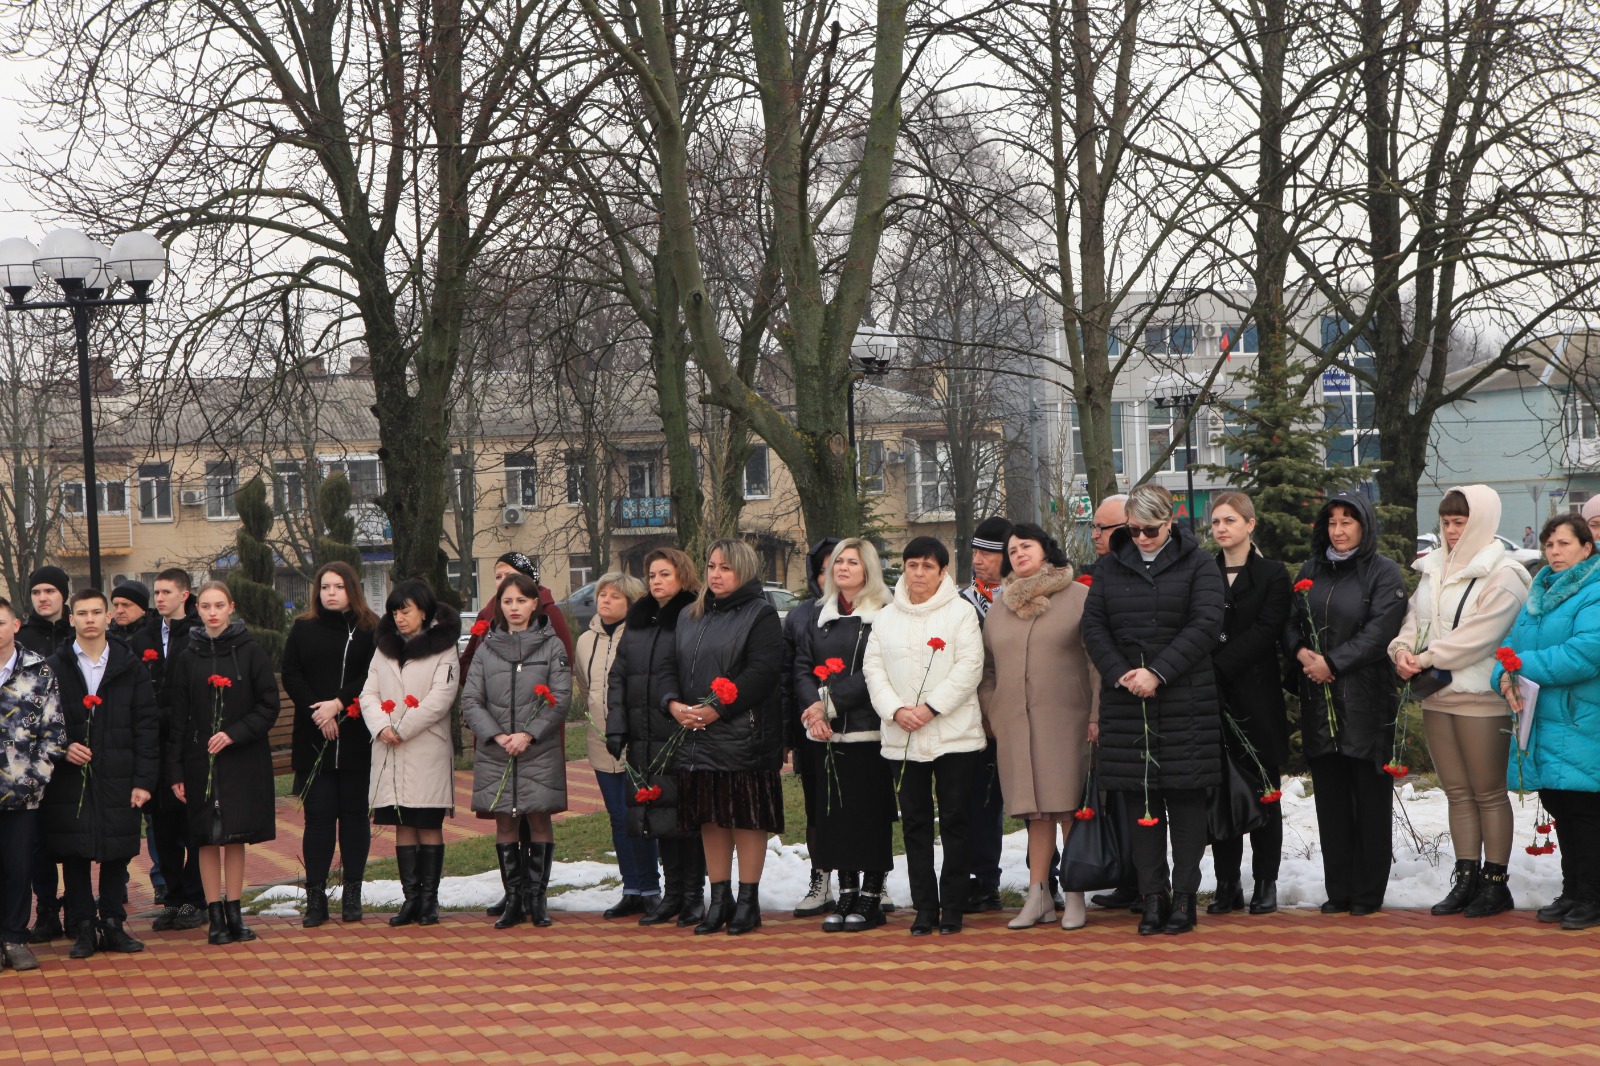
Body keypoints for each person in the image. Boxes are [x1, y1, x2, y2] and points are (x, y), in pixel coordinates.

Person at [1081, 483, 1225, 936]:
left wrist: (1158, 672)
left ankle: (1184, 897)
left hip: (1185, 701)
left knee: (1185, 803)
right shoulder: (1110, 566)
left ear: (1170, 523)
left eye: (1151, 530)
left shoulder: (1198, 563)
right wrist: (1122, 673)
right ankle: (1152, 896)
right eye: (1134, 530)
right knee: (1140, 803)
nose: (1142, 538)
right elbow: (1094, 626)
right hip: (1128, 702)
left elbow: (1206, 624)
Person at [1391, 487, 1530, 918]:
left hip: (1480, 698)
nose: (1451, 531)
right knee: (1456, 792)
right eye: (1446, 522)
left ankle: (1495, 882)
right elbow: (1415, 618)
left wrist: (1426, 657)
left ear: (1482, 521)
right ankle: (1466, 877)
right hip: (1437, 696)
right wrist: (1402, 649)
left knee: (1488, 792)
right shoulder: (1433, 567)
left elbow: (1481, 635)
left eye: (1460, 522)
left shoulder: (1504, 573)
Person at [1286, 491, 1407, 916]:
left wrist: (1332, 663)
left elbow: (1379, 633)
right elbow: (1290, 621)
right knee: (1331, 801)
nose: (1338, 531)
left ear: (1364, 525)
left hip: (1365, 700)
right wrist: (1302, 653)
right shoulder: (1311, 570)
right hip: (1319, 702)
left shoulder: (1383, 572)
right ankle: (1338, 889)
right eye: (1332, 522)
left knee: (1369, 800)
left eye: (1347, 522)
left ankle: (1368, 892)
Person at [660, 538, 785, 936]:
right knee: (710, 819)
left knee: (745, 818)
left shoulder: (761, 614)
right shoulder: (689, 615)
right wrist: (672, 704)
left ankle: (748, 901)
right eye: (712, 566)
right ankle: (720, 898)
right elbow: (668, 666)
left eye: (725, 568)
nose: (715, 574)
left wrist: (718, 708)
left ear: (743, 571)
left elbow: (763, 672)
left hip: (742, 735)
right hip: (695, 734)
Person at [864, 536, 986, 936]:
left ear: (943, 571)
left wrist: (931, 707)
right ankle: (924, 907)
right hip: (903, 736)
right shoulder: (886, 617)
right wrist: (896, 710)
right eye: (912, 565)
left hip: (955, 735)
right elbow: (873, 670)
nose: (919, 573)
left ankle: (953, 906)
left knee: (955, 820)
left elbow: (970, 667)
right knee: (914, 823)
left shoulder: (961, 613)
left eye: (928, 566)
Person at [978, 523, 1097, 932]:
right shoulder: (1000, 607)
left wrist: (1097, 715)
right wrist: (992, 710)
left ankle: (1075, 893)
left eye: (1026, 546)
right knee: (1036, 812)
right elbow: (987, 669)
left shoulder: (1078, 597)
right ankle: (1038, 894)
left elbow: (1096, 662)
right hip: (1015, 723)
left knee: (1068, 808)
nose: (1019, 554)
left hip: (1067, 721)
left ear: (1046, 550)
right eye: (1012, 551)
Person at [1494, 514, 1600, 930]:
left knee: (1585, 810)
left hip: (1581, 720)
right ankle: (1573, 891)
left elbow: (1586, 652)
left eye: (1564, 544)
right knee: (1561, 806)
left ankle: (1592, 896)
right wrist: (1503, 675)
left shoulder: (1594, 590)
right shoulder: (1539, 594)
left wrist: (1519, 667)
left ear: (1587, 548)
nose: (1555, 552)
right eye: (1550, 544)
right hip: (1543, 720)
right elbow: (1508, 647)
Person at [43, 589, 160, 960]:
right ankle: (82, 927)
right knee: (74, 852)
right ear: (71, 619)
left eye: (97, 612)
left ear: (109, 617)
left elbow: (146, 726)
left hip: (119, 773)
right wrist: (63, 748)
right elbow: (40, 724)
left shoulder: (129, 665)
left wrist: (143, 781)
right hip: (70, 778)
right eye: (82, 613)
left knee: (117, 850)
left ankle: (112, 923)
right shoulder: (54, 666)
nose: (90, 619)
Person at [165, 581, 280, 946]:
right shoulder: (188, 656)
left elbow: (268, 705)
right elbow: (178, 718)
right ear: (197, 609)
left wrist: (234, 733)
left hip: (241, 759)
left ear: (231, 607)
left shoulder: (250, 651)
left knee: (234, 837)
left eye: (219, 605)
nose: (212, 613)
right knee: (205, 838)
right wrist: (176, 770)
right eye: (205, 606)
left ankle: (234, 912)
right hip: (200, 760)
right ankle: (214, 915)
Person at [460, 551, 571, 920]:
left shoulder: (552, 645)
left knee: (538, 818)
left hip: (537, 749)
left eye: (521, 600)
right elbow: (471, 700)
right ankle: (514, 900)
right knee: (505, 821)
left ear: (534, 602)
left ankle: (537, 900)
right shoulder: (486, 647)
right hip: (497, 751)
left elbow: (560, 697)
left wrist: (529, 735)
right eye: (507, 601)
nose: (514, 608)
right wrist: (496, 736)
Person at [794, 538, 896, 931]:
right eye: (838, 562)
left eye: (852, 562)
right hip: (825, 734)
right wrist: (813, 711)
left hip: (868, 734)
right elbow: (802, 666)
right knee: (834, 818)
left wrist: (828, 704)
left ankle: (872, 896)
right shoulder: (820, 615)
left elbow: (875, 672)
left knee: (868, 816)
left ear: (867, 568)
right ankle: (848, 892)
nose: (842, 568)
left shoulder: (883, 614)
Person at [605, 547, 708, 928]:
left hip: (680, 731)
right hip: (644, 734)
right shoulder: (638, 619)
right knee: (658, 814)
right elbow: (619, 675)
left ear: (682, 575)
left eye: (665, 574)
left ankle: (693, 895)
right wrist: (617, 726)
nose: (657, 581)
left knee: (686, 816)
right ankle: (672, 894)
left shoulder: (693, 614)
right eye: (651, 575)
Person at [1206, 491, 1292, 915]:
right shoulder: (1204, 571)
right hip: (1212, 698)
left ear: (1250, 524)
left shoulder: (1272, 573)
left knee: (1264, 790)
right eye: (1216, 522)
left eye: (1230, 520)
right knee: (1220, 790)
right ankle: (1226, 883)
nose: (1221, 528)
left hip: (1257, 697)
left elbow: (1267, 629)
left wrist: (1218, 666)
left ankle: (1265, 881)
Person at [282, 562, 379, 926]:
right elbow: (291, 673)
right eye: (325, 587)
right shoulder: (303, 627)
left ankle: (352, 895)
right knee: (319, 820)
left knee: (354, 819)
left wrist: (338, 704)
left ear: (352, 589)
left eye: (338, 586)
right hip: (313, 736)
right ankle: (316, 899)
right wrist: (319, 713)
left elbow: (372, 674)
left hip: (355, 736)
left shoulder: (369, 628)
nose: (331, 593)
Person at [360, 578, 461, 928]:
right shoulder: (384, 647)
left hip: (425, 745)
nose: (399, 619)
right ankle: (411, 899)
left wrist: (402, 727)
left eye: (406, 611)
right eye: (395, 613)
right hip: (389, 745)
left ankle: (429, 901)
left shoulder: (444, 647)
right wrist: (381, 726)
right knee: (402, 822)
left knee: (427, 821)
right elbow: (368, 693)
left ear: (424, 611)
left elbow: (441, 698)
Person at [576, 571, 657, 920]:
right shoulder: (585, 641)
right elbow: (585, 686)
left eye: (614, 596)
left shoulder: (642, 635)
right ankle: (631, 888)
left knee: (641, 815)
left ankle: (651, 888)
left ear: (631, 603)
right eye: (602, 595)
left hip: (637, 742)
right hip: (600, 742)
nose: (605, 601)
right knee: (618, 817)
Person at [137, 568, 206, 933]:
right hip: (154, 746)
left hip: (188, 745)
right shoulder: (144, 636)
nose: (160, 598)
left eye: (166, 592)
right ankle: (174, 898)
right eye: (157, 592)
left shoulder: (197, 634)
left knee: (192, 827)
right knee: (162, 829)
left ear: (184, 595)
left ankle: (196, 899)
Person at [0, 597, 64, 971]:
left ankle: (14, 938)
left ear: (16, 625)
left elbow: (53, 732)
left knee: (18, 866)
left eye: (0, 622)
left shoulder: (38, 671)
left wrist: (34, 776)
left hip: (21, 791)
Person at [782, 537, 840, 919]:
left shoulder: (875, 611)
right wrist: (790, 732)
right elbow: (789, 676)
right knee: (818, 808)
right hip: (812, 728)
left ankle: (873, 880)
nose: (831, 577)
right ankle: (821, 879)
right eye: (823, 571)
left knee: (865, 806)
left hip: (861, 727)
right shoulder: (799, 617)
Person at [959, 516, 1012, 917]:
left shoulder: (1023, 596)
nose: (978, 560)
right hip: (977, 718)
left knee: (1042, 803)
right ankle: (983, 880)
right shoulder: (961, 602)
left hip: (1025, 714)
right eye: (975, 551)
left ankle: (1048, 877)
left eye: (988, 554)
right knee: (981, 800)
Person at [19, 564, 71, 944]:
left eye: (50, 591)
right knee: (36, 839)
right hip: (33, 755)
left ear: (63, 595)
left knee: (73, 832)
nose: (43, 598)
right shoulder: (22, 638)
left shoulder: (76, 633)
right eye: (37, 592)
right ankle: (47, 909)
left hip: (76, 749)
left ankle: (83, 907)